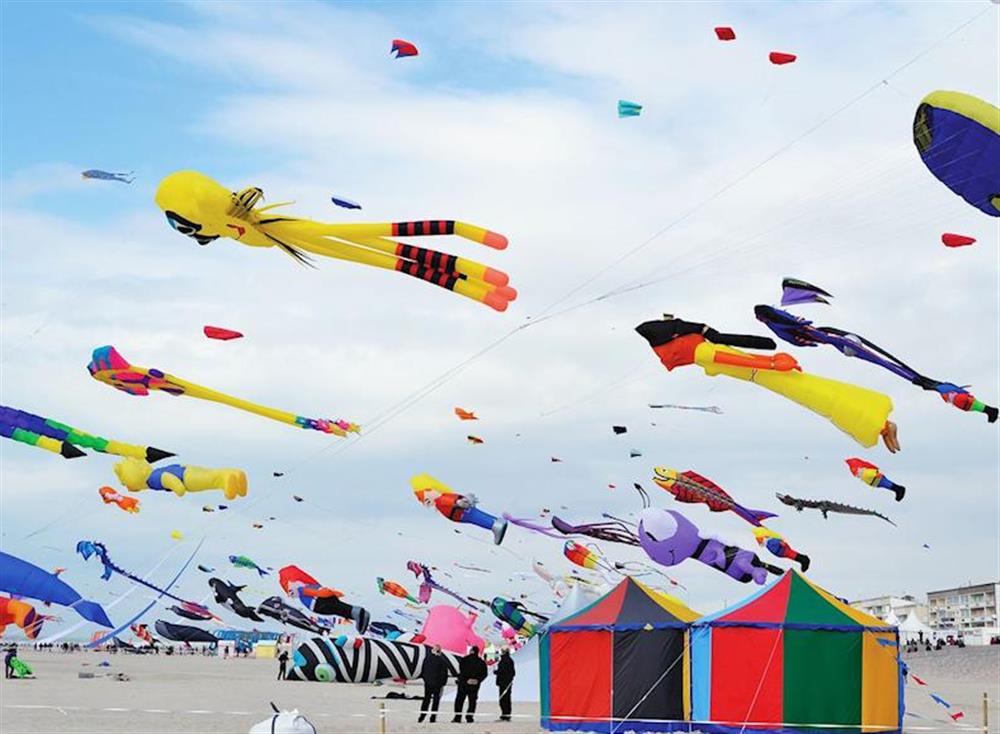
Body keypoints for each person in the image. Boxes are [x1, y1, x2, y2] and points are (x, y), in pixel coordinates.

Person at [452, 646, 487, 723]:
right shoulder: (481, 662)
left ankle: (457, 717)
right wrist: (477, 680)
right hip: (474, 685)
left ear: (471, 651)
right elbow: (484, 673)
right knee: (472, 701)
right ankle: (469, 717)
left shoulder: (464, 660)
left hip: (463, 684)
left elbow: (462, 671)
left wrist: (467, 679)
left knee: (459, 700)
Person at [418, 644, 448, 723]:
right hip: (437, 684)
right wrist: (443, 683)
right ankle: (433, 717)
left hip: (428, 683)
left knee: (426, 699)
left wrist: (425, 680)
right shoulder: (442, 661)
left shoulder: (427, 659)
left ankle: (422, 716)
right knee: (435, 701)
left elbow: (423, 671)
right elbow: (444, 673)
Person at [494, 647, 516, 722]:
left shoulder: (505, 660)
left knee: (504, 699)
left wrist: (496, 672)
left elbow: (503, 671)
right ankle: (505, 714)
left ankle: (506, 715)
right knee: (505, 699)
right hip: (506, 682)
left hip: (504, 683)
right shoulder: (509, 660)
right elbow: (512, 672)